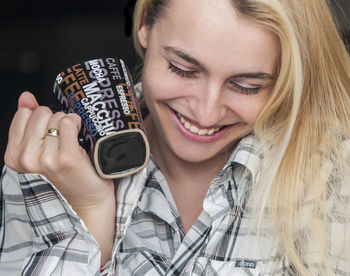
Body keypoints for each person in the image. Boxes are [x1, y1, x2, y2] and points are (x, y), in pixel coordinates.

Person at [1, 0, 350, 275]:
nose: (207, 113)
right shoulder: (47, 165)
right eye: (183, 69)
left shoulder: (333, 177)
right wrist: (87, 223)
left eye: (247, 86)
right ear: (144, 27)